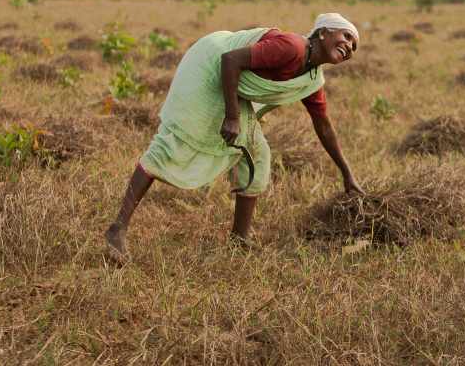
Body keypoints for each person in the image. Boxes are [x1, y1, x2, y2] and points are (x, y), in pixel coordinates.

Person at [104, 13, 363, 260]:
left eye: (354, 45)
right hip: (210, 64)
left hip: (233, 82)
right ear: (324, 32)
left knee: (257, 154)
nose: (350, 46)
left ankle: (239, 239)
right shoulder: (292, 47)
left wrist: (347, 174)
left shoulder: (312, 78)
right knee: (174, 143)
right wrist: (232, 117)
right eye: (346, 36)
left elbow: (324, 127)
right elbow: (229, 60)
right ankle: (118, 228)